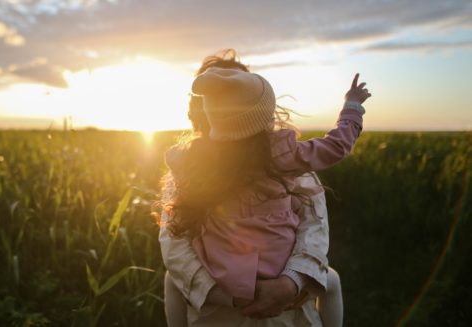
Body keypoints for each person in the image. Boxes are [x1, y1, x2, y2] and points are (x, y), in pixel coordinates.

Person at [158, 50, 370, 326]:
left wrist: (288, 283)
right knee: (332, 280)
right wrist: (351, 107)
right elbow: (336, 146)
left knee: (170, 280)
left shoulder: (191, 162)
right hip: (250, 289)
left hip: (241, 285)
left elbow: (313, 228)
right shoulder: (285, 157)